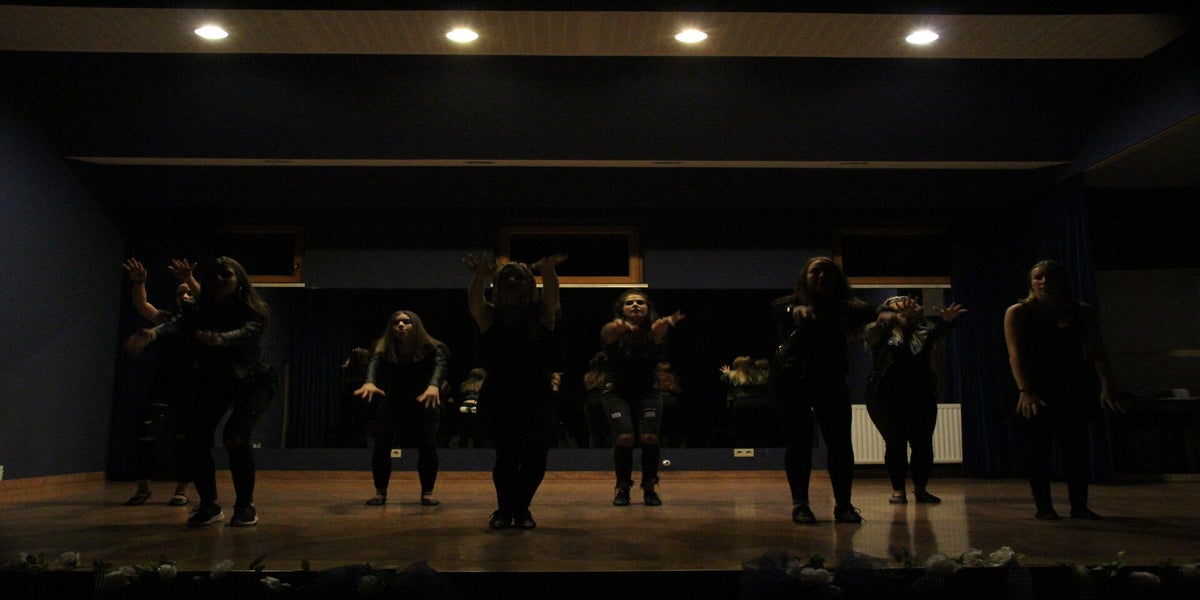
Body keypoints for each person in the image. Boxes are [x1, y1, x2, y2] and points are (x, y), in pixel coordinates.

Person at [125, 256, 276, 527]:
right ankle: (209, 505)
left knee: (235, 437)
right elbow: (174, 322)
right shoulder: (196, 308)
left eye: (226, 274)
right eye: (214, 275)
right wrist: (152, 334)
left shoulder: (253, 309)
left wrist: (222, 339)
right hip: (215, 380)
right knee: (195, 438)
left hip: (253, 382)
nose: (219, 279)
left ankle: (245, 505)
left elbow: (247, 332)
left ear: (239, 279)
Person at [1004, 259, 1123, 520]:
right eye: (1038, 277)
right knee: (1038, 450)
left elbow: (1096, 351)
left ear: (1062, 281)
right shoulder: (1019, 312)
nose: (1044, 282)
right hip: (1037, 385)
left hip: (1073, 384)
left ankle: (1079, 505)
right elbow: (1015, 355)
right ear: (1031, 282)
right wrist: (1025, 390)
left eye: (1050, 277)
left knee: (1076, 449)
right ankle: (1044, 506)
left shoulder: (1081, 311)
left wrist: (1106, 385)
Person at [770, 256, 876, 524]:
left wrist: (886, 313)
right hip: (791, 381)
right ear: (805, 276)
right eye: (815, 271)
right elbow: (781, 309)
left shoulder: (843, 307)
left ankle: (843, 505)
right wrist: (796, 311)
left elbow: (867, 311)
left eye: (827, 272)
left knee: (840, 443)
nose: (821, 276)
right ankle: (800, 505)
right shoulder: (786, 304)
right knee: (799, 443)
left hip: (829, 380)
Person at [465, 253, 567, 530]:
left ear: (529, 284)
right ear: (497, 285)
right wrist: (479, 278)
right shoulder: (490, 315)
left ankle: (521, 508)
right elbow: (475, 302)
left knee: (535, 457)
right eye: (505, 277)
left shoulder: (542, 313)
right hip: (499, 396)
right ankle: (504, 510)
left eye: (518, 277)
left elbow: (552, 298)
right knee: (507, 456)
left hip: (537, 396)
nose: (511, 280)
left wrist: (547, 271)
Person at [864, 295, 967, 505]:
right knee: (895, 443)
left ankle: (921, 489)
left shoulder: (924, 331)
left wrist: (948, 320)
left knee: (922, 444)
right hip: (885, 397)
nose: (906, 310)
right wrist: (892, 320)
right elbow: (873, 336)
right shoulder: (881, 332)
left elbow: (940, 330)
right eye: (899, 308)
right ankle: (898, 491)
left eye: (909, 307)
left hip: (920, 396)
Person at [120, 257, 201, 507]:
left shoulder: (202, 319)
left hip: (191, 383)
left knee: (185, 437)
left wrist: (189, 280)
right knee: (146, 433)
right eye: (180, 293)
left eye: (188, 293)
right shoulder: (166, 319)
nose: (184, 296)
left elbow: (206, 298)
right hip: (163, 381)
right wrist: (139, 282)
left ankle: (183, 489)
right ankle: (143, 488)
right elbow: (142, 305)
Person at [353, 310, 449, 507]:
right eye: (396, 322)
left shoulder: (432, 347)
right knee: (382, 445)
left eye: (406, 322)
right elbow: (374, 364)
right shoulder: (383, 347)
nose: (401, 325)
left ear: (416, 325)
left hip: (423, 399)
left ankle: (427, 492)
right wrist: (369, 381)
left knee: (427, 445)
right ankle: (380, 492)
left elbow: (440, 366)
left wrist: (434, 386)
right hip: (393, 399)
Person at [600, 290, 685, 507]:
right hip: (616, 390)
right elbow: (608, 334)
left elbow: (657, 336)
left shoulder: (656, 329)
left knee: (649, 438)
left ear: (648, 308)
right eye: (630, 303)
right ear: (622, 309)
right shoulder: (614, 329)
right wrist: (616, 328)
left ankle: (649, 488)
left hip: (647, 390)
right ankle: (622, 488)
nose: (635, 305)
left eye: (640, 302)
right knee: (625, 438)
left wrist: (661, 327)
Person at [720, 356, 778, 448]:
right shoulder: (758, 375)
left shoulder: (733, 375)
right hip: (760, 403)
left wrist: (727, 373)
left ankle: (743, 447)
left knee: (742, 429)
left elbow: (725, 379)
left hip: (741, 404)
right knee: (759, 428)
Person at [582, 352, 612, 449]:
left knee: (594, 433)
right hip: (603, 403)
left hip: (591, 403)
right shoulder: (607, 376)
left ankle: (594, 454)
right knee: (608, 432)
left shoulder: (588, 376)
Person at [451, 368, 488, 449]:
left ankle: (462, 453)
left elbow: (458, 400)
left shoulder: (464, 386)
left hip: (464, 413)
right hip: (477, 414)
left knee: (464, 437)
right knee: (479, 436)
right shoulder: (482, 387)